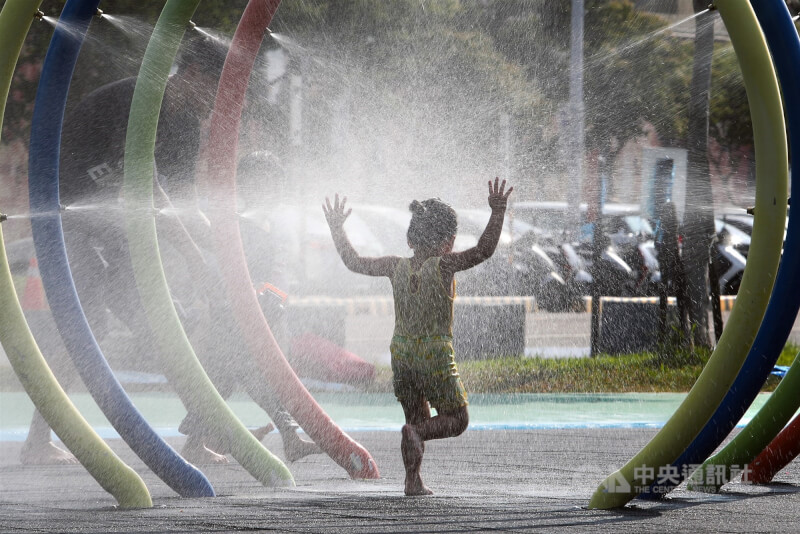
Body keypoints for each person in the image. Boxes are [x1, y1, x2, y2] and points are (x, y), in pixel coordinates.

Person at [323, 177, 513, 495]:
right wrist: (497, 212)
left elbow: (353, 262)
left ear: (411, 238)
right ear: (449, 241)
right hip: (434, 353)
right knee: (456, 419)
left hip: (401, 354)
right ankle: (415, 436)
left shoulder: (394, 266)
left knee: (415, 414)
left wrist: (336, 228)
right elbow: (483, 251)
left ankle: (413, 480)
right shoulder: (444, 265)